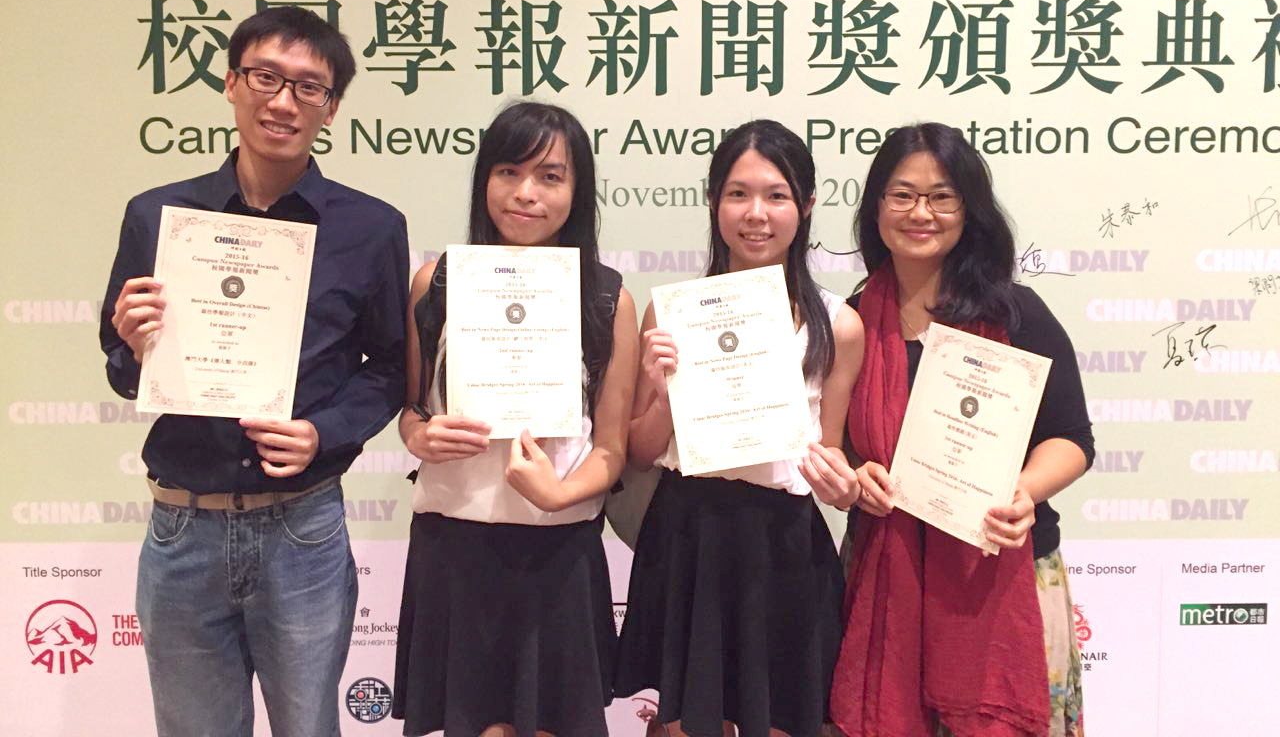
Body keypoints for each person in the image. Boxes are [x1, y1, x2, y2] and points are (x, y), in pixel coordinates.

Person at [101, 6, 409, 737]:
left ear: (331, 107)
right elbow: (120, 369)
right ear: (231, 84)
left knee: (309, 727)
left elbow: (392, 368)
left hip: (302, 526)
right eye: (266, 77)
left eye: (309, 86)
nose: (284, 101)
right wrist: (133, 346)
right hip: (183, 526)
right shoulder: (158, 217)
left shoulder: (372, 228)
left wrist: (323, 432)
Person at [830, 123, 1094, 737]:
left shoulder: (1017, 313)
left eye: (941, 196)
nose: (921, 213)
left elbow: (1071, 437)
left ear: (969, 209)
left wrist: (1022, 492)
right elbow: (832, 440)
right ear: (876, 207)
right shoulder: (852, 319)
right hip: (884, 579)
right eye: (902, 195)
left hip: (1001, 569)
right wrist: (856, 475)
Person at [393, 101, 639, 737]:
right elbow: (412, 409)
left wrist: (559, 494)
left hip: (558, 551)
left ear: (577, 192)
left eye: (550, 177)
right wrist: (420, 434)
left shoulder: (607, 298)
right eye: (508, 172)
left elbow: (611, 449)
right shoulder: (435, 282)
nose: (526, 193)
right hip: (454, 546)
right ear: (485, 181)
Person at [614, 119, 865, 737]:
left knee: (778, 717)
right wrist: (667, 393)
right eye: (738, 194)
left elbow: (830, 451)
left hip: (782, 543)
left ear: (806, 205)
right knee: (683, 721)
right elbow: (640, 452)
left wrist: (842, 485)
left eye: (776, 195)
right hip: (688, 533)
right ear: (712, 201)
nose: (756, 214)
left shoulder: (839, 323)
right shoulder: (671, 309)